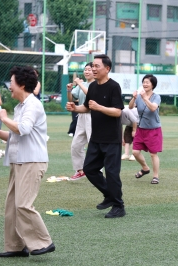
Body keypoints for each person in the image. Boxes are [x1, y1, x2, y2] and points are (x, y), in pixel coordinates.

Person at [0, 66, 55, 257]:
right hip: (19, 161)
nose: (10, 87)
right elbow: (16, 135)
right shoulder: (21, 106)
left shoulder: (33, 105)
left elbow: (22, 129)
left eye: (12, 83)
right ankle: (15, 246)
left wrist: (4, 118)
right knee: (12, 206)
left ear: (22, 84)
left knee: (23, 204)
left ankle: (43, 242)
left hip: (32, 161)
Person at [66, 54, 125, 218]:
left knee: (112, 173)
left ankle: (119, 206)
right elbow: (86, 107)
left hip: (112, 138)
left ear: (107, 69)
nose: (93, 69)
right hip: (96, 138)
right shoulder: (92, 87)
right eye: (92, 66)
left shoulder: (114, 86)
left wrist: (99, 107)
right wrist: (74, 108)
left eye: (97, 66)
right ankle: (109, 195)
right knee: (89, 169)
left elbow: (117, 111)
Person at [129, 74, 162, 185]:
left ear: (153, 85)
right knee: (135, 152)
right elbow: (130, 107)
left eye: (147, 82)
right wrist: (134, 98)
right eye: (144, 82)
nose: (145, 84)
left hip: (153, 129)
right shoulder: (138, 96)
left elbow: (153, 108)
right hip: (141, 128)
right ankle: (145, 168)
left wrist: (145, 98)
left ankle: (156, 176)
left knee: (153, 154)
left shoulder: (156, 97)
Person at [67, 62, 94, 180]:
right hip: (81, 115)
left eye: (90, 69)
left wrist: (79, 84)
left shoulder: (96, 84)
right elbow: (72, 99)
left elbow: (91, 94)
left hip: (93, 117)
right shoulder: (82, 84)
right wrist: (69, 90)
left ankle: (96, 171)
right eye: (85, 69)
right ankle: (80, 170)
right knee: (76, 145)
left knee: (93, 144)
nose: (87, 71)